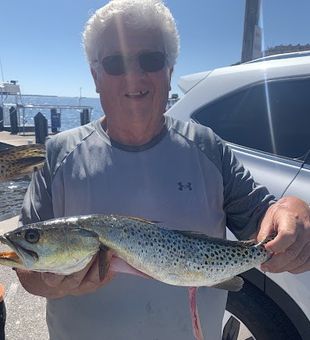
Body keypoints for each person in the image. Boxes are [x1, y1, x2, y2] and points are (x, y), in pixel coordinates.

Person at [16, 1, 310, 339]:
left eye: (151, 60)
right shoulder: (56, 155)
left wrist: (293, 211)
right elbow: (26, 265)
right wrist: (51, 281)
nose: (134, 76)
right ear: (95, 76)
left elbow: (263, 217)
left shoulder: (209, 148)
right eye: (115, 63)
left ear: (169, 70)